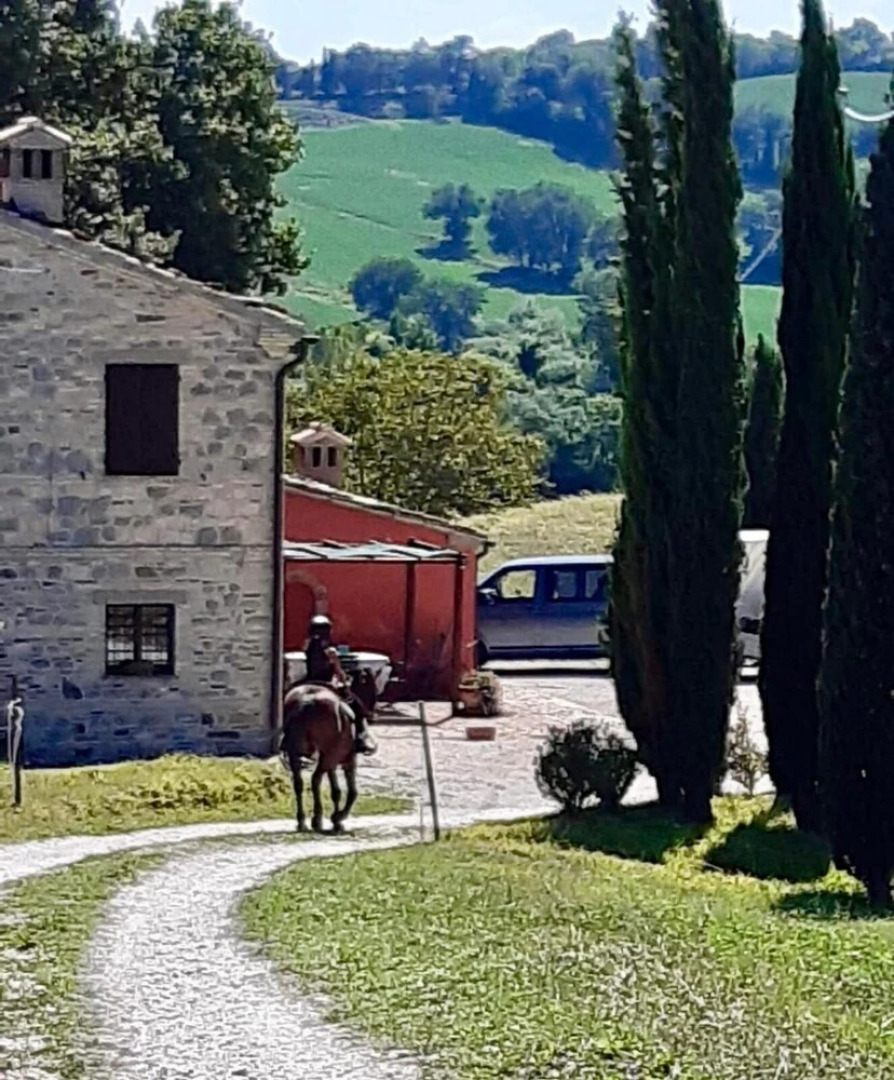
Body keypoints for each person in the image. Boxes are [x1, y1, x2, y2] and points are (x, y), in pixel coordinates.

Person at [304, 615, 377, 755]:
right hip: (326, 683)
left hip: (309, 681)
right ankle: (360, 739)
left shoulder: (307, 646)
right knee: (356, 706)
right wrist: (344, 680)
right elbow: (338, 671)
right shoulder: (330, 650)